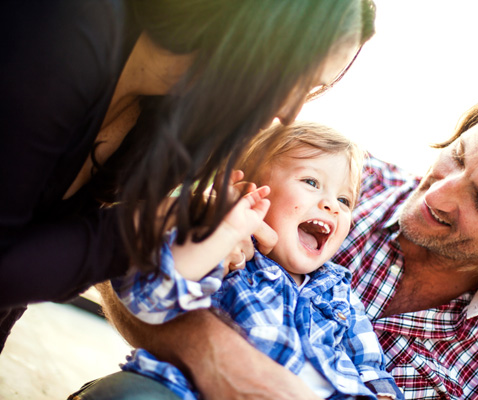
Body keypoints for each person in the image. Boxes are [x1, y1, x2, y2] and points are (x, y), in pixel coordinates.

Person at [93, 83, 478, 400]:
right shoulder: (325, 182)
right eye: (459, 156)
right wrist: (219, 358)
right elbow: (120, 250)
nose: (439, 194)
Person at [0, 0, 376, 351]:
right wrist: (154, 222)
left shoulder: (172, 126)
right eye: (298, 77)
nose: (292, 112)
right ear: (254, 31)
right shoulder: (63, 30)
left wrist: (183, 221)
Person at [106, 121, 404, 400]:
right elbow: (153, 296)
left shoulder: (339, 289)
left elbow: (370, 366)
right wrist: (222, 236)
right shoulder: (233, 257)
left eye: (344, 200)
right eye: (311, 182)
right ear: (249, 192)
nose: (331, 206)